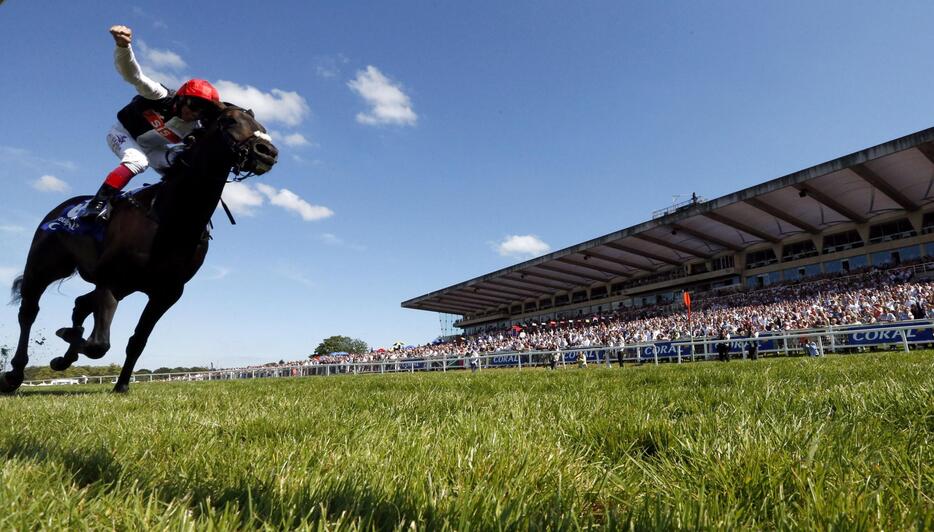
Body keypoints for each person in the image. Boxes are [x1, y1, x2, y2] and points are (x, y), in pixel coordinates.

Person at [81, 25, 222, 219]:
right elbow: (133, 75)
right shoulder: (159, 95)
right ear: (180, 98)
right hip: (123, 134)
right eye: (194, 105)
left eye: (203, 110)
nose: (195, 113)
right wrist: (123, 48)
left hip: (152, 148)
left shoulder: (195, 125)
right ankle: (98, 202)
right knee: (138, 161)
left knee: (187, 161)